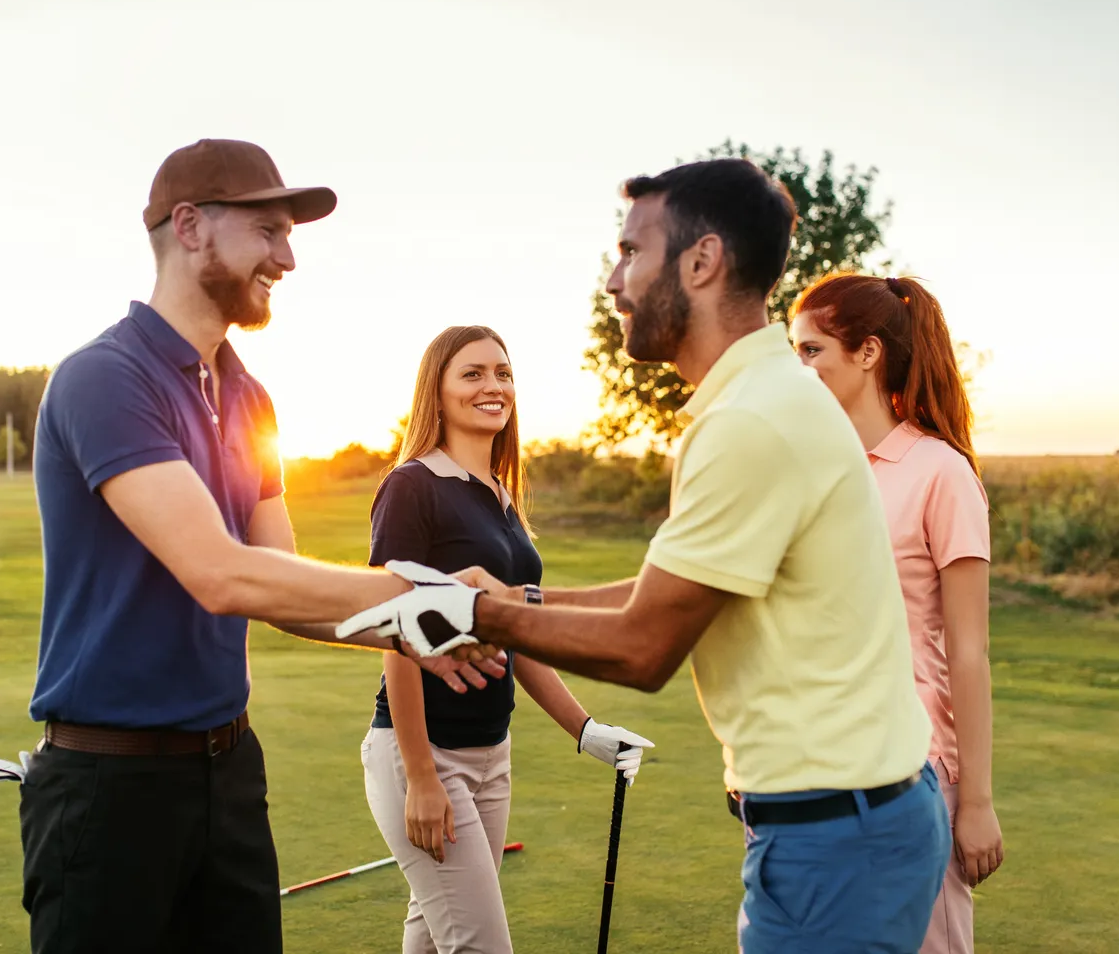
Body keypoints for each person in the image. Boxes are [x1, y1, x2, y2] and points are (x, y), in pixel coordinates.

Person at [344, 158, 950, 953]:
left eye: (631, 252)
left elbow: (646, 643)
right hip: (856, 821)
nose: (613, 281)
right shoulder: (765, 399)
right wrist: (519, 604)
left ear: (701, 263)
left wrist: (475, 610)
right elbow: (662, 591)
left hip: (833, 835)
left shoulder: (749, 420)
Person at [21, 138, 499, 954]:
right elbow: (220, 574)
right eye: (269, 231)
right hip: (109, 786)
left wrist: (413, 630)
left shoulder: (250, 397)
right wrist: (423, 594)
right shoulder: (106, 378)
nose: (288, 256)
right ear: (190, 226)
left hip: (229, 772)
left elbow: (280, 581)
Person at [360, 325, 654, 954]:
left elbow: (512, 634)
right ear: (435, 393)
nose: (493, 386)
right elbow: (395, 631)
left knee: (435, 936)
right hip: (426, 753)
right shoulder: (412, 486)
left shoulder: (500, 496)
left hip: (493, 754)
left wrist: (585, 729)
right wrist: (420, 777)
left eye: (503, 372)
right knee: (479, 946)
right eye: (472, 373)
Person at [791, 273, 1005, 953]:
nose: (800, 369)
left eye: (811, 351)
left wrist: (976, 802)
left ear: (868, 353)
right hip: (813, 769)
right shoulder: (812, 469)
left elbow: (968, 653)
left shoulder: (941, 473)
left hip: (915, 777)